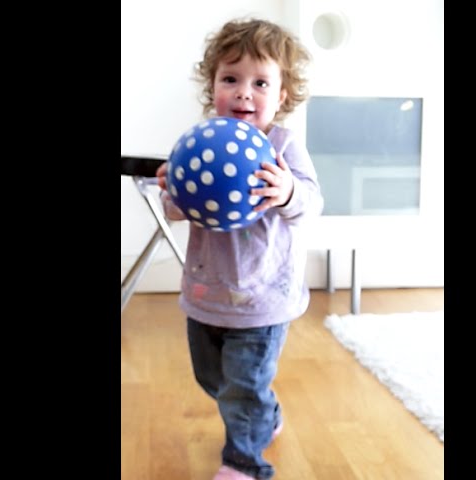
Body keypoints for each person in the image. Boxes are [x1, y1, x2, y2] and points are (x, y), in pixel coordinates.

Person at [155, 18, 323, 480]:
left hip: (262, 300)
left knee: (242, 387)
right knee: (213, 379)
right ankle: (264, 414)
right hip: (205, 294)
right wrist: (173, 189)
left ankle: (245, 463)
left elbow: (311, 204)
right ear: (213, 87)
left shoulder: (284, 146)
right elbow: (176, 210)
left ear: (282, 95)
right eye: (231, 79)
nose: (244, 93)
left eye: (260, 83)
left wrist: (288, 191)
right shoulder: (201, 142)